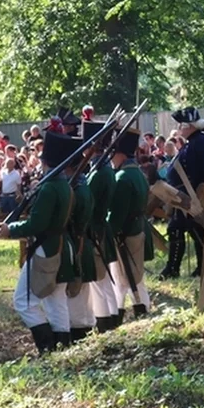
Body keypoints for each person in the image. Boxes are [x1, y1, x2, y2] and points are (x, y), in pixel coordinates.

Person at [0, 130, 75, 355]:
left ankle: (48, 346)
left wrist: (10, 229)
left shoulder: (50, 187)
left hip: (46, 247)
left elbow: (37, 224)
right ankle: (63, 348)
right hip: (60, 245)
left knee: (22, 301)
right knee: (56, 300)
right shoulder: (63, 185)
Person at [162, 107, 204, 279]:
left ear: (191, 126)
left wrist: (187, 196)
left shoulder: (199, 142)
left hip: (192, 195)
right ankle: (194, 267)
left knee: (180, 229)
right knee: (191, 230)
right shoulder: (196, 141)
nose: (180, 129)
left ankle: (175, 268)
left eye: (182, 126)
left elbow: (195, 173)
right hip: (187, 193)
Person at [107, 126, 150, 320]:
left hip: (125, 232)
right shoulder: (138, 174)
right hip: (137, 228)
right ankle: (141, 309)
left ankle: (120, 312)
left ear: (121, 155)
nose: (111, 159)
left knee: (123, 276)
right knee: (134, 274)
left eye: (113, 154)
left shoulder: (122, 178)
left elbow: (117, 214)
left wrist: (107, 232)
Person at [82, 119, 119, 331]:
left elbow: (89, 202)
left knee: (99, 279)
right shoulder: (101, 168)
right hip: (98, 226)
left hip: (94, 228)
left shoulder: (99, 173)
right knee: (102, 280)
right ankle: (110, 318)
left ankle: (106, 321)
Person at [64, 135, 97, 342]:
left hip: (78, 243)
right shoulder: (78, 187)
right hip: (79, 241)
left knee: (77, 294)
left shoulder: (79, 190)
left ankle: (79, 333)